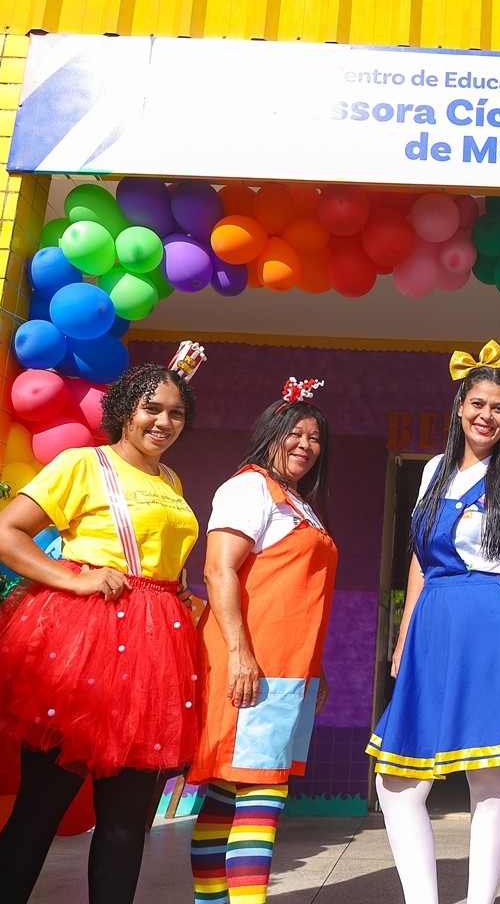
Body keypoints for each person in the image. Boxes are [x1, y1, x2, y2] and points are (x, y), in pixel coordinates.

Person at [0, 346, 205, 904]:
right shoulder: (83, 463)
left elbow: (159, 551)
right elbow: (3, 534)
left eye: (176, 413)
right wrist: (73, 580)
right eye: (152, 408)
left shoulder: (171, 479)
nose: (164, 422)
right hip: (84, 647)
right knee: (40, 809)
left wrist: (176, 585)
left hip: (153, 653)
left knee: (126, 823)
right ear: (124, 410)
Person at [368, 341, 500, 904]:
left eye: (499, 408)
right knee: (397, 782)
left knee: (490, 770)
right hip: (432, 626)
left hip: (490, 621)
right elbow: (420, 559)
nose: (486, 415)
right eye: (477, 403)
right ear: (458, 407)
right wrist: (404, 634)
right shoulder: (433, 469)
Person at [188, 377, 338, 904]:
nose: (305, 445)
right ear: (269, 434)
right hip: (254, 662)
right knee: (261, 789)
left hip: (287, 667)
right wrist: (239, 654)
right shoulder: (248, 488)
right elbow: (218, 570)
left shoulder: (297, 502)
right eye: (294, 433)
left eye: (315, 438)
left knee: (230, 791)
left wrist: (316, 669)